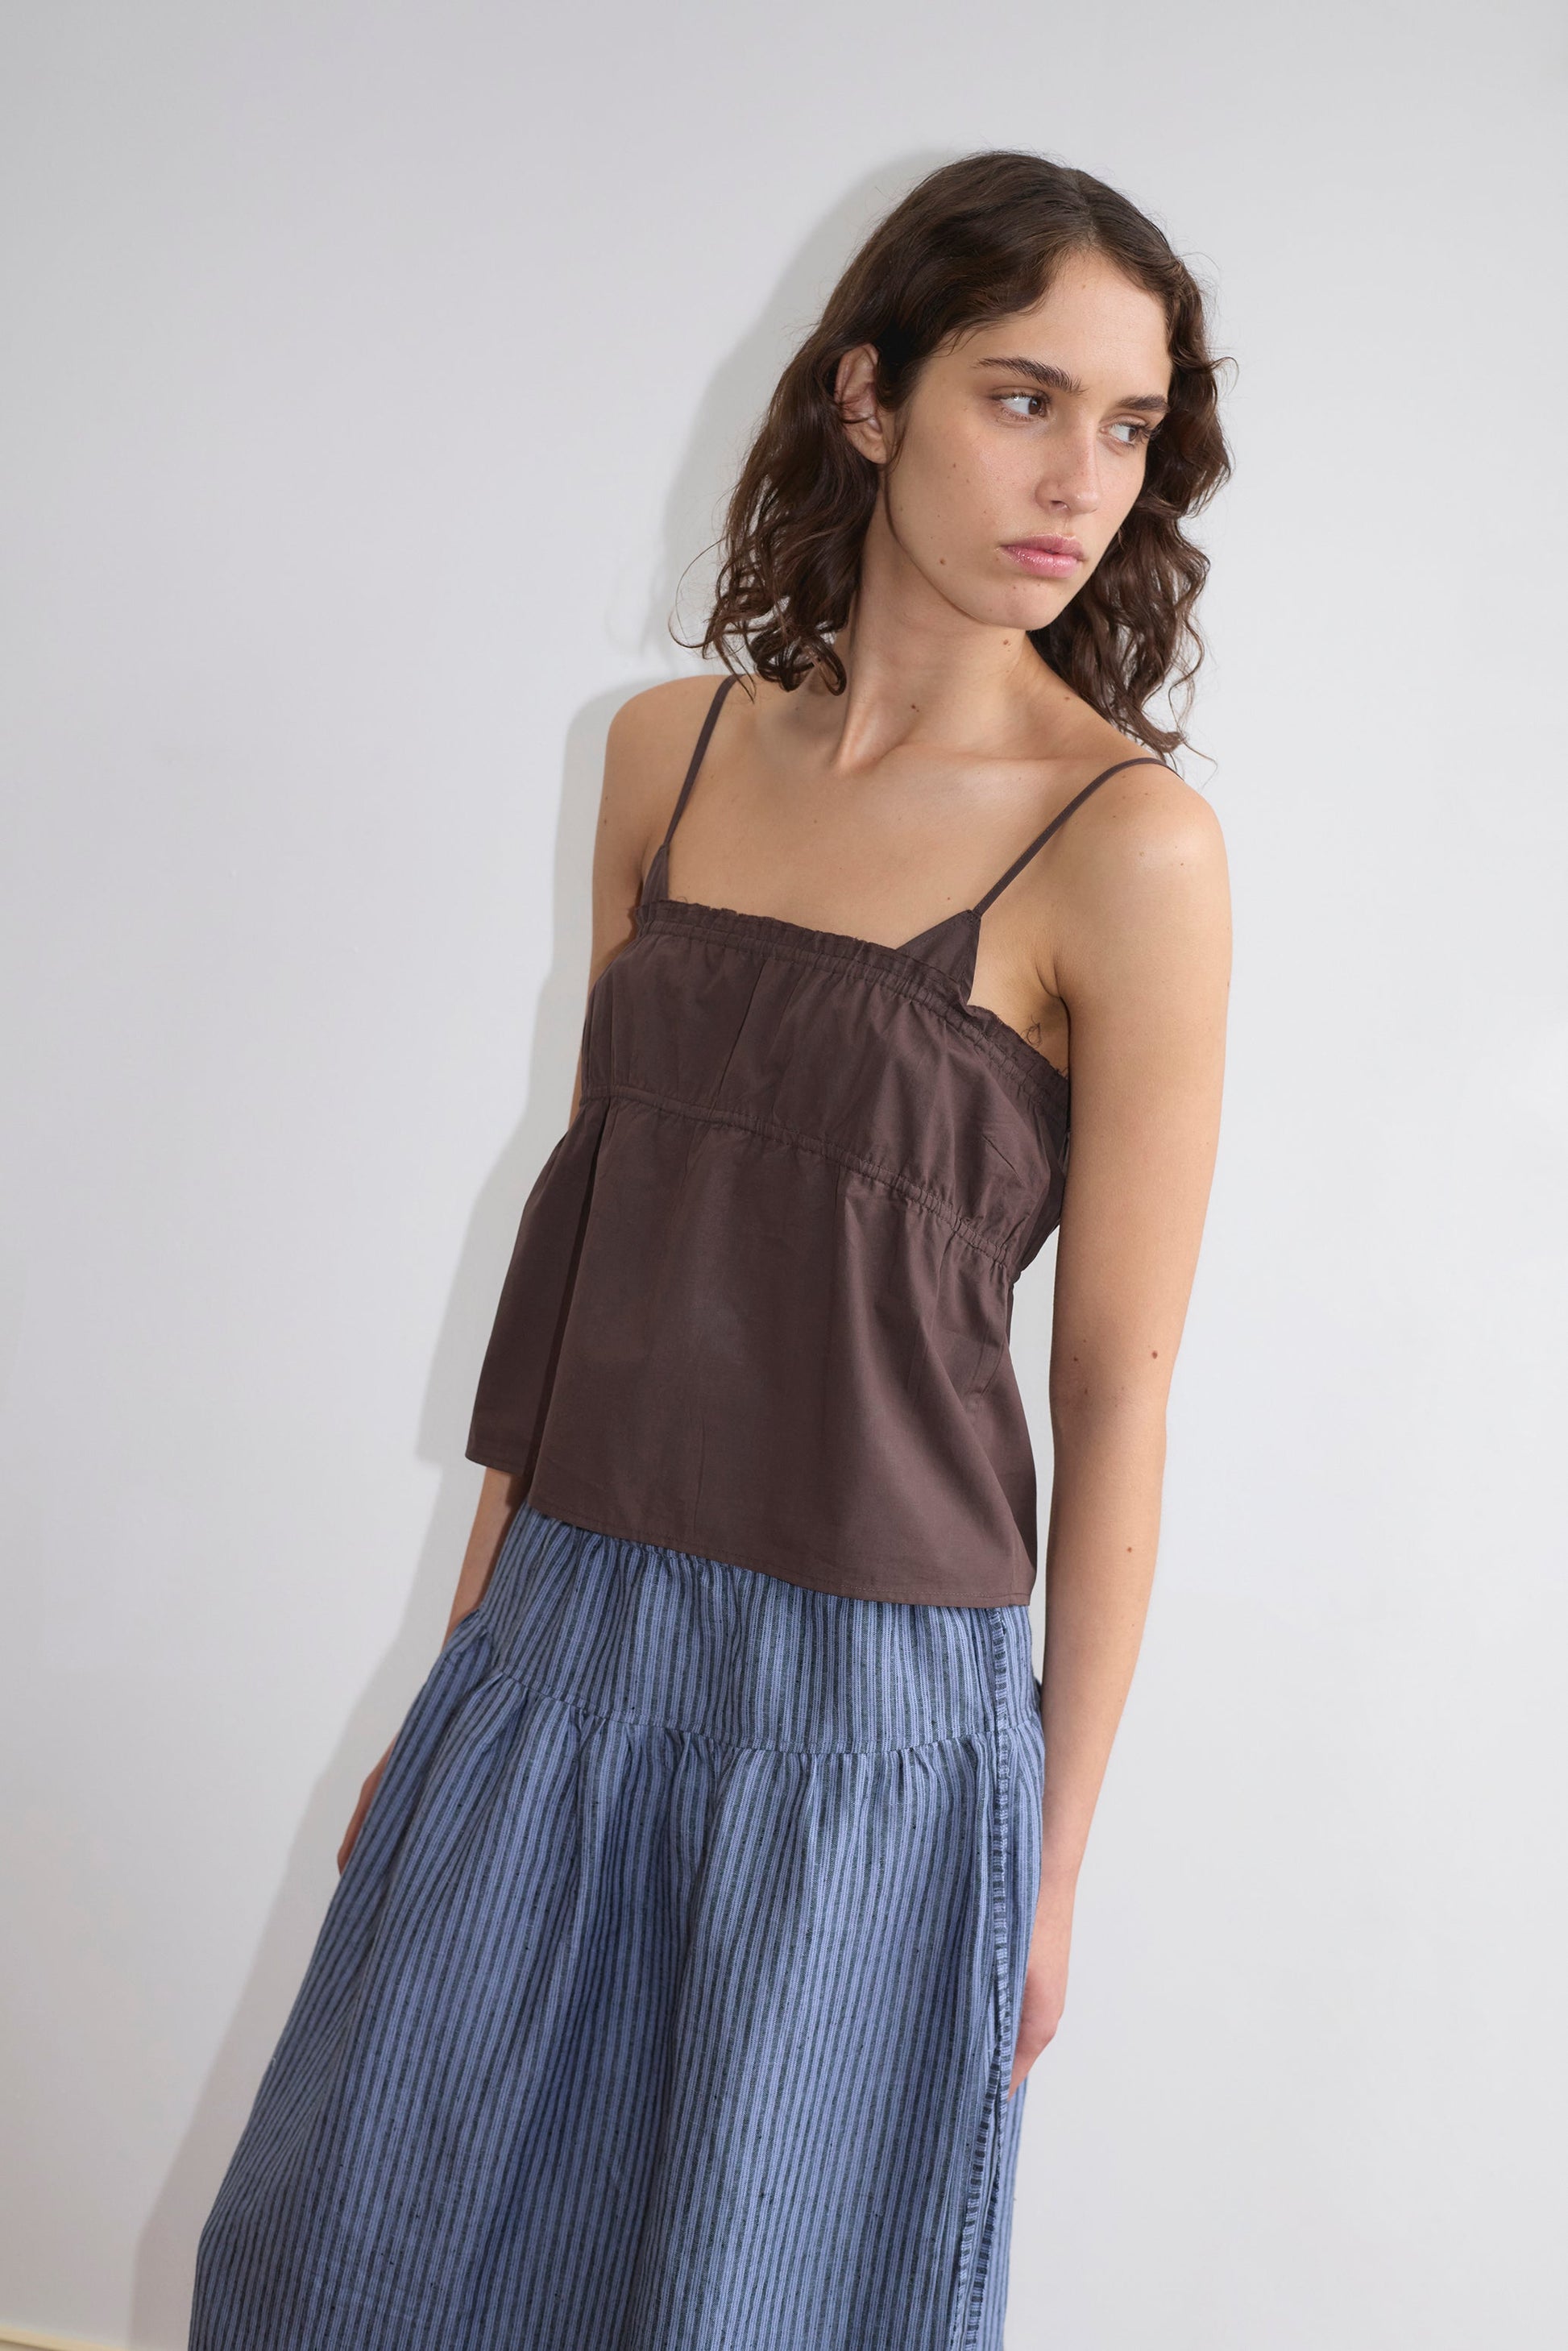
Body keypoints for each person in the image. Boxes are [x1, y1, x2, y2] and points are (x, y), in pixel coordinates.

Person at [189, 148, 1233, 2351]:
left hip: (876, 1719)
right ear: (866, 397)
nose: (1080, 478)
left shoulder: (1125, 847)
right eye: (1022, 397)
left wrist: (1047, 1855)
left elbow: (1119, 1380)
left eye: (1127, 427)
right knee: (345, 2264)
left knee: (751, 2301)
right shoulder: (660, 761)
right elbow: (597, 1225)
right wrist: (466, 1665)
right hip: (568, 1632)